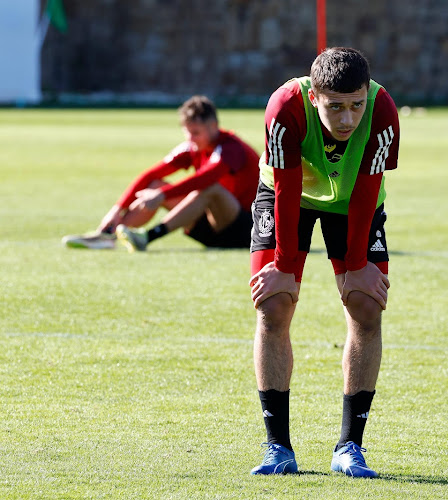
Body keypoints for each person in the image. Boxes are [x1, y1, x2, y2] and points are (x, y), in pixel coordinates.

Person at [248, 47, 400, 477]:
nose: (348, 119)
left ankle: (350, 446)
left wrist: (357, 264)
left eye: (356, 105)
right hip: (286, 197)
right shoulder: (285, 108)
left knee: (366, 307)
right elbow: (287, 188)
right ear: (315, 98)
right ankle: (278, 448)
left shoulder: (383, 110)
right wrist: (283, 262)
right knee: (274, 305)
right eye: (336, 107)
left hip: (354, 201)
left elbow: (370, 186)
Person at [61, 95, 260, 252]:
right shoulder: (193, 147)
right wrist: (117, 208)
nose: (191, 139)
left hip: (245, 231)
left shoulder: (231, 148)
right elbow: (150, 175)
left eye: (196, 133)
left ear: (214, 126)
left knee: (209, 189)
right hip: (212, 229)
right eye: (187, 132)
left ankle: (147, 237)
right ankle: (107, 236)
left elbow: (206, 178)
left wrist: (163, 196)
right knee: (155, 185)